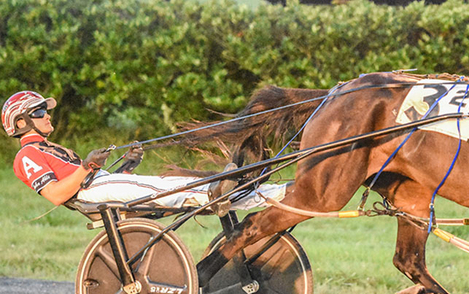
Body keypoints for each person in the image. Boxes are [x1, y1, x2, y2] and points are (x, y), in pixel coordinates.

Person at [3, 90, 285, 212]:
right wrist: (87, 166)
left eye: (44, 112)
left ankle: (277, 195)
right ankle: (226, 189)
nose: (47, 116)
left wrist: (126, 166)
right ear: (21, 122)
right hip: (93, 190)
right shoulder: (26, 156)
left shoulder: (48, 146)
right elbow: (55, 194)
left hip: (99, 186)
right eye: (39, 112)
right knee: (173, 190)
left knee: (168, 186)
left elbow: (92, 180)